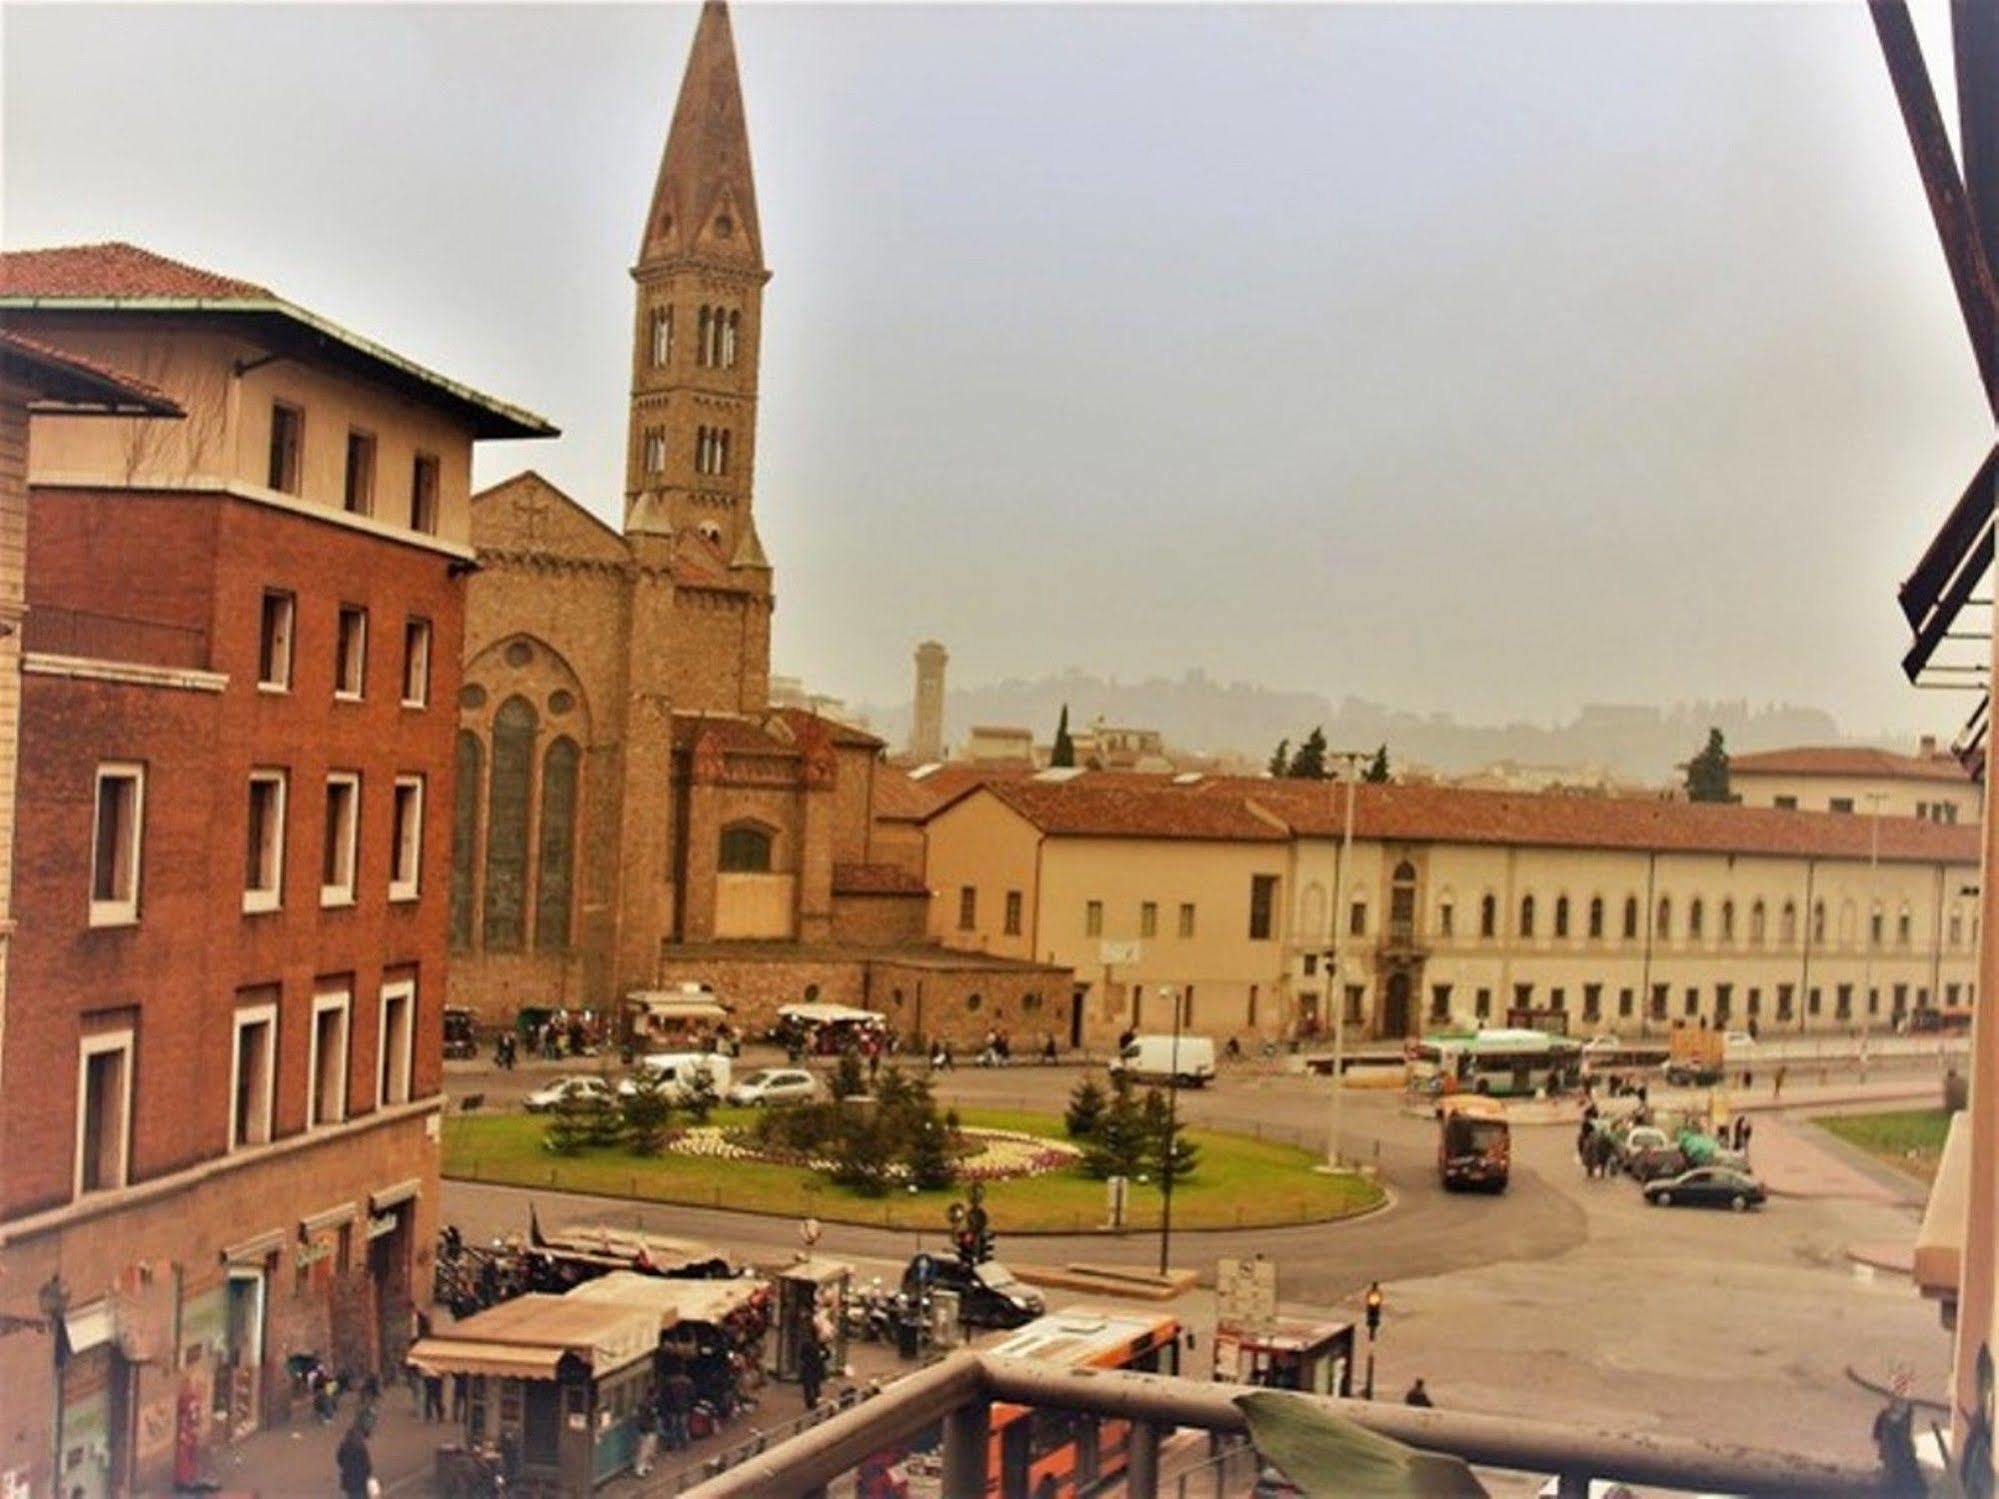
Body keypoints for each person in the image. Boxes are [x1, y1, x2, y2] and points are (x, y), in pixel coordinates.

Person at [336, 1421, 373, 1499]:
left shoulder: (344, 1445)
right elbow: (367, 1465)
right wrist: (368, 1474)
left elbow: (339, 1459)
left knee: (351, 1495)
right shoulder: (361, 1448)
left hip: (348, 1477)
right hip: (360, 1479)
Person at [800, 1325, 827, 1409]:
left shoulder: (806, 1343)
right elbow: (826, 1354)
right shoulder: (819, 1343)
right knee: (816, 1385)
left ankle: (811, 1403)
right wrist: (822, 1356)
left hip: (809, 1367)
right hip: (816, 1366)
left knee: (809, 1386)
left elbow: (802, 1356)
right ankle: (816, 1401)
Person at [633, 1400, 660, 1477]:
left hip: (646, 1432)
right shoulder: (647, 1414)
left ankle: (645, 1466)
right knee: (644, 1451)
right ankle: (641, 1468)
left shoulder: (640, 1415)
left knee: (646, 1451)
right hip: (647, 1432)